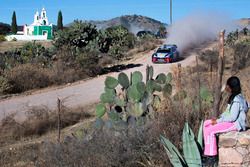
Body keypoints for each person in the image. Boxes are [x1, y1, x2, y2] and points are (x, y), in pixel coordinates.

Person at [203, 76, 249, 163]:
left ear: (231, 87)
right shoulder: (234, 97)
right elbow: (227, 113)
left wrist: (218, 122)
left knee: (210, 130)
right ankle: (207, 149)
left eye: (227, 85)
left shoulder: (237, 100)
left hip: (235, 124)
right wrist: (219, 118)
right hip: (230, 121)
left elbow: (232, 117)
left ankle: (211, 156)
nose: (226, 87)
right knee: (206, 123)